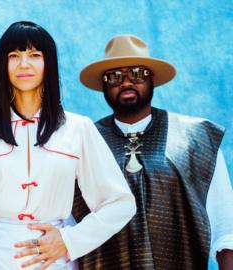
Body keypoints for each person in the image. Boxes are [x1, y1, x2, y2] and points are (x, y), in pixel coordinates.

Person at [0, 21, 136, 270]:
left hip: (54, 261)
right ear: (2, 66)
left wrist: (70, 240)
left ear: (48, 64)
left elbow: (121, 204)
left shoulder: (78, 128)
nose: (24, 64)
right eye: (14, 56)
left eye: (34, 55)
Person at [73, 34, 233, 269]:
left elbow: (225, 226)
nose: (126, 82)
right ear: (104, 86)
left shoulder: (196, 140)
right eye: (115, 76)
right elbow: (67, 224)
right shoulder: (82, 142)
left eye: (137, 73)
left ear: (152, 80)